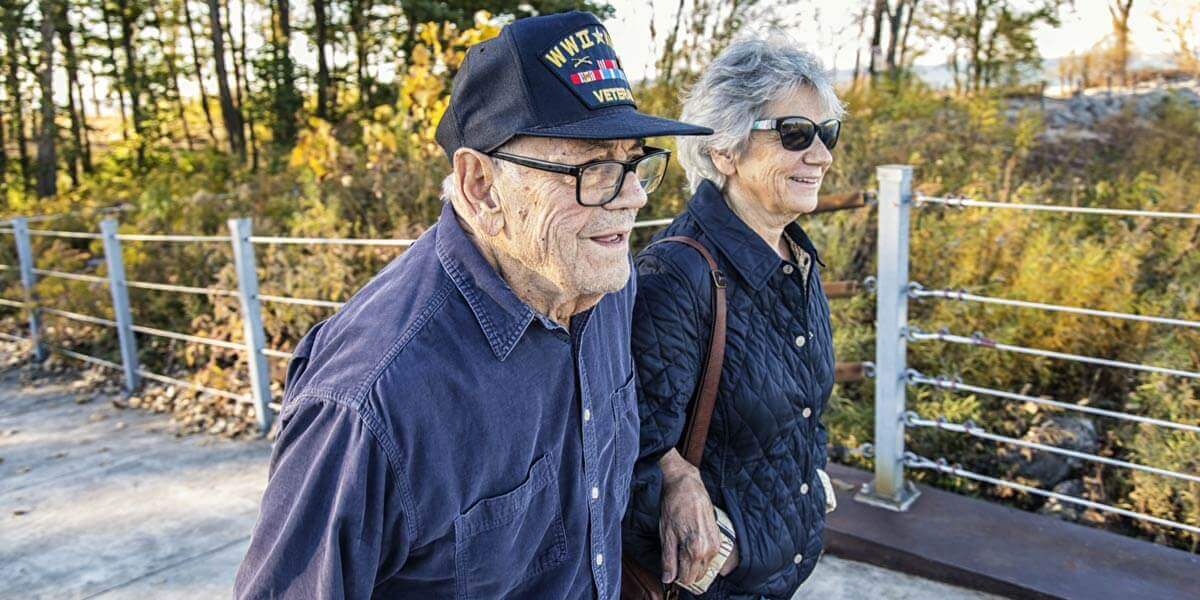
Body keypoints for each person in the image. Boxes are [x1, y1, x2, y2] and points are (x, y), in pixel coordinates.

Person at [234, 11, 711, 599]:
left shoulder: (604, 285)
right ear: (481, 184)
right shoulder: (369, 400)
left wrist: (675, 472)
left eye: (635, 162)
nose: (634, 195)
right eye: (593, 168)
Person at [622, 34, 844, 599]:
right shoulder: (678, 276)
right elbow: (625, 451)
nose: (820, 155)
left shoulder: (794, 255)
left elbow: (803, 413)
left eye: (827, 134)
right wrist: (728, 556)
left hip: (785, 574)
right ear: (725, 150)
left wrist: (809, 495)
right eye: (794, 135)